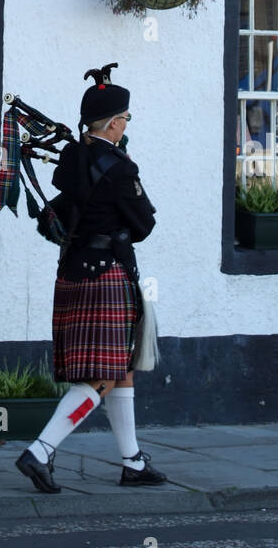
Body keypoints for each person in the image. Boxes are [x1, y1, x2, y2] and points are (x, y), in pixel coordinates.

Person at [16, 65, 166, 493]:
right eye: (126, 118)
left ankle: (132, 462)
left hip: (74, 271)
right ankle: (41, 451)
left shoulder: (72, 158)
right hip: (107, 276)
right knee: (101, 376)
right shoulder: (119, 169)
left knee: (120, 371)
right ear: (115, 123)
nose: (126, 125)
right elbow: (144, 224)